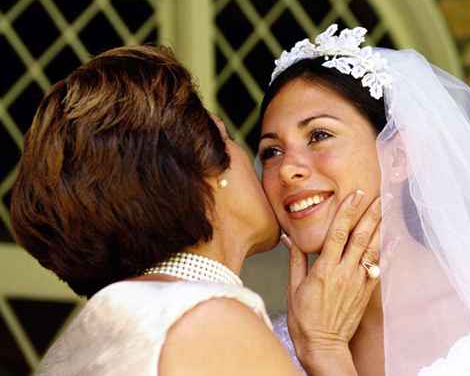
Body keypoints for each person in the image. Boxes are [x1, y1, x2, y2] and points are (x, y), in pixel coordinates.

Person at [10, 45, 381, 376]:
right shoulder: (207, 321)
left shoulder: (109, 324)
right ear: (203, 174)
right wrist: (326, 350)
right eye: (227, 139)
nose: (281, 170)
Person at [258, 25, 470, 376]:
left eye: (319, 135)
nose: (286, 170)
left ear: (398, 157)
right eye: (271, 151)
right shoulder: (261, 351)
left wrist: (327, 356)